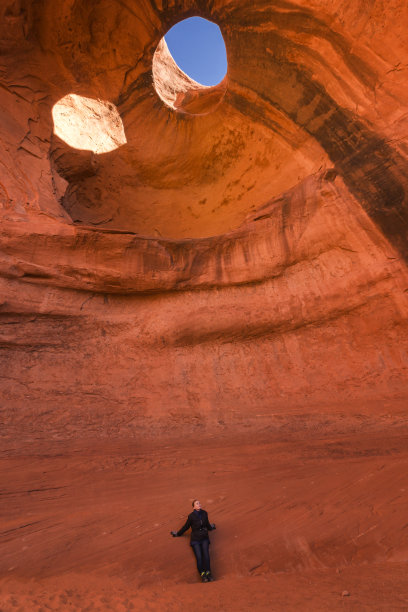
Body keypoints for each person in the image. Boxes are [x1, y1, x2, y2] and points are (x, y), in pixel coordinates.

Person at [170, 499, 216, 582]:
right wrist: (178, 533)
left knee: (206, 556)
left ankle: (209, 573)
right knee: (199, 557)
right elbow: (186, 526)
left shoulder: (204, 513)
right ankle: (203, 575)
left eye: (199, 503)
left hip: (204, 538)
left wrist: (211, 527)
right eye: (197, 503)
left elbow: (207, 524)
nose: (199, 504)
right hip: (196, 539)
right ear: (194, 507)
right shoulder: (191, 516)